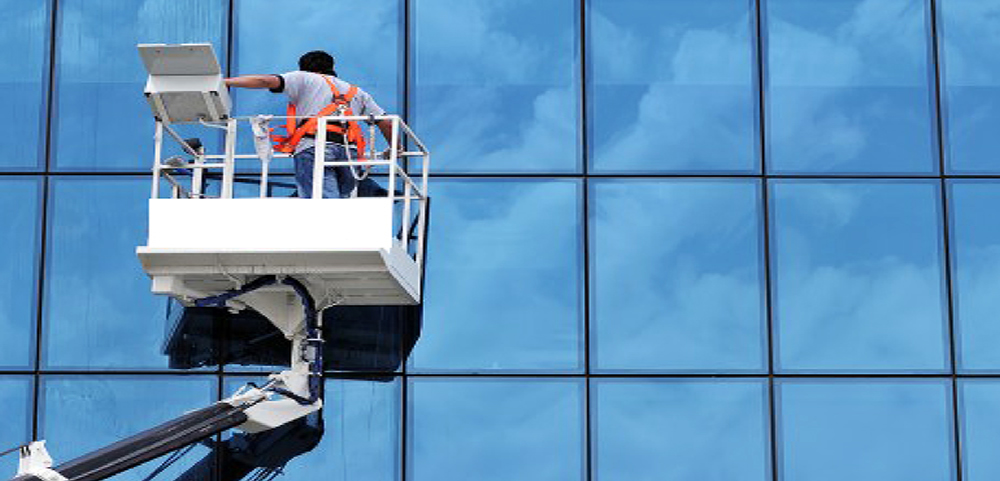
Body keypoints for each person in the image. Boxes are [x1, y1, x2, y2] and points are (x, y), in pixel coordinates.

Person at [225, 50, 394, 198]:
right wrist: (396, 148)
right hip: (349, 152)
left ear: (304, 68)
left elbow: (265, 81)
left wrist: (225, 82)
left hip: (315, 146)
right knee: (339, 201)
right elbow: (386, 123)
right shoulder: (357, 92)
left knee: (321, 202)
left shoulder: (304, 77)